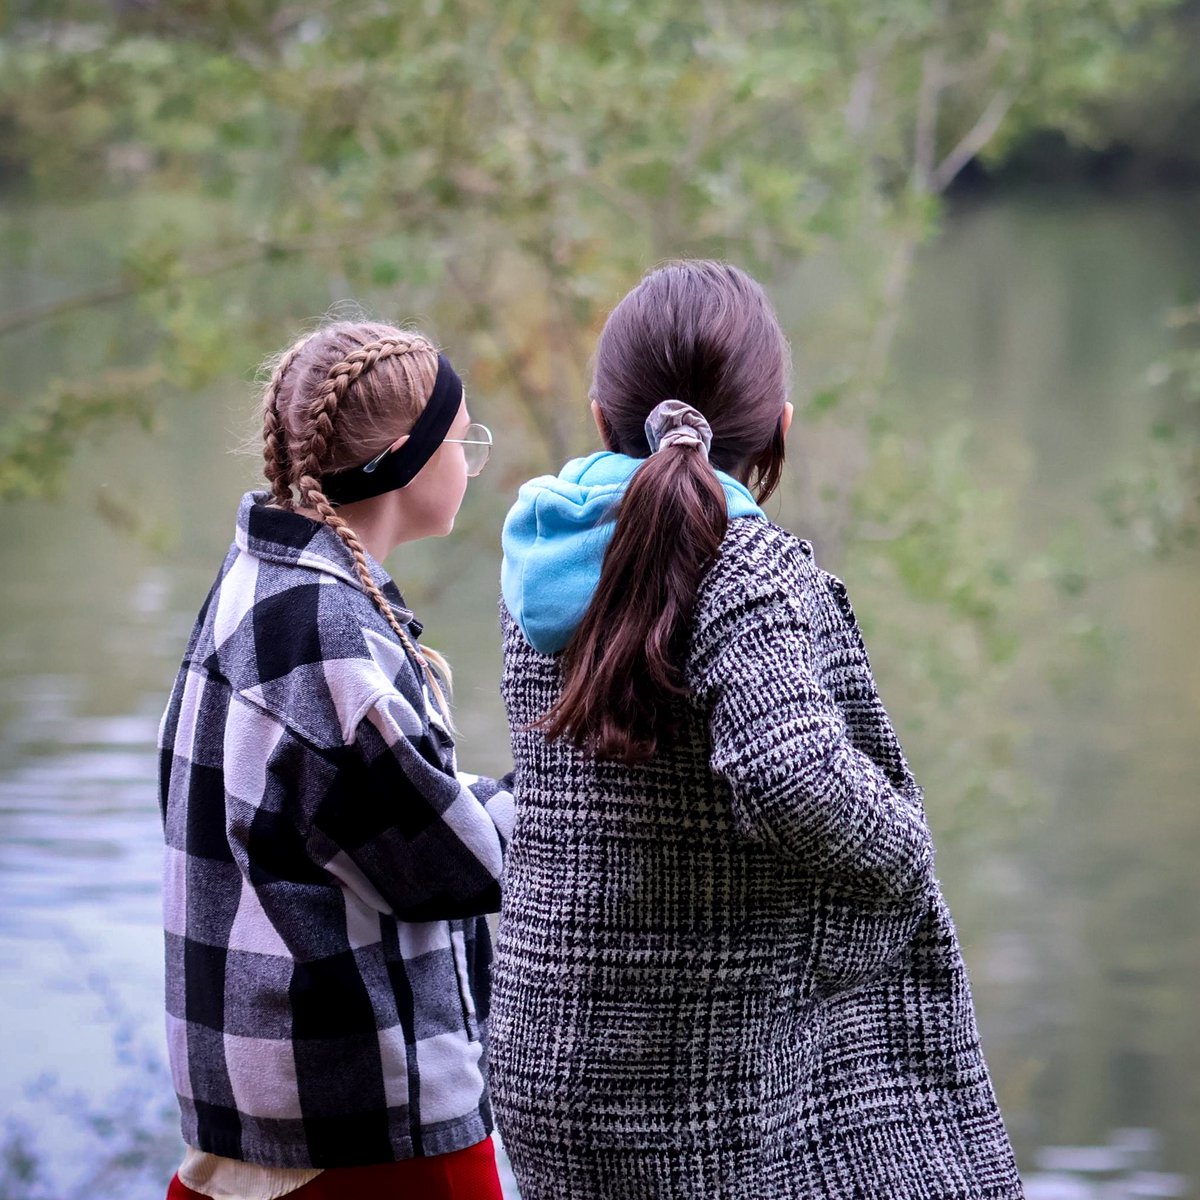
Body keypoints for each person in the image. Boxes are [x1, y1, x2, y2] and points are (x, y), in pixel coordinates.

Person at [490, 261, 1025, 1199]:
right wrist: (907, 849)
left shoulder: (544, 559)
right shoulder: (745, 565)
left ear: (598, 410)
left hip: (553, 1064)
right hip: (704, 1079)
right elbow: (791, 775)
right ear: (780, 426)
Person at [158, 322, 512, 1200]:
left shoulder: (262, 578)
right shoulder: (327, 635)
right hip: (359, 1131)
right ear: (404, 457)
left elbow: (363, 801)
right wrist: (560, 789)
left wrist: (483, 796)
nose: (470, 457)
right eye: (462, 437)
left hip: (264, 1111)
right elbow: (456, 867)